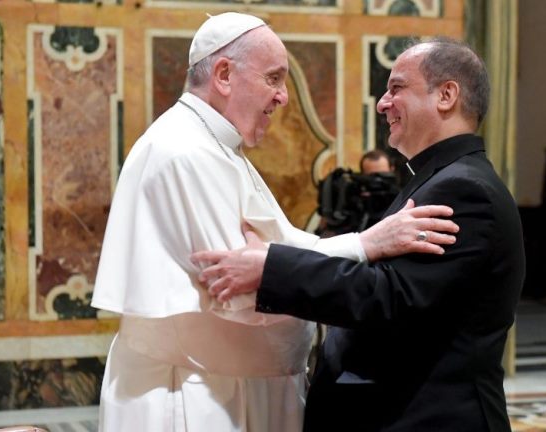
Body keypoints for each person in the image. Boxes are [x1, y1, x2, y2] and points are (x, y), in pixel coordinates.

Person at [90, 13, 459, 432]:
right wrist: (363, 245)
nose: (284, 97)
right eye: (274, 78)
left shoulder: (216, 147)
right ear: (224, 74)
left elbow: (273, 254)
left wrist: (362, 242)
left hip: (228, 385)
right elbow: (242, 287)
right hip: (192, 395)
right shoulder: (183, 152)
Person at [194, 36, 526, 431]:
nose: (383, 103)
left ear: (446, 95)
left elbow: (389, 297)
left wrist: (271, 269)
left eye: (396, 88)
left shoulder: (464, 190)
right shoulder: (441, 179)